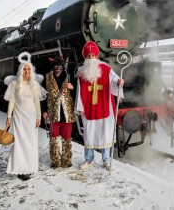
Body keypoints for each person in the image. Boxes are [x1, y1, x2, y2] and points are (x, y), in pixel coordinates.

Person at [74, 41, 124, 171]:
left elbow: (114, 82)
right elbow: (79, 91)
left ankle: (106, 159)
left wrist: (119, 82)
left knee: (105, 133)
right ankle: (89, 159)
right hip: (89, 108)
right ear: (85, 57)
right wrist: (80, 107)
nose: (91, 57)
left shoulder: (106, 69)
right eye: (88, 55)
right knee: (89, 133)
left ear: (96, 55)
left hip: (104, 106)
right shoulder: (81, 72)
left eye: (92, 55)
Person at [5, 52, 46, 181]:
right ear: (21, 71)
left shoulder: (35, 85)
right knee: (20, 142)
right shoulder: (14, 84)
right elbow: (11, 101)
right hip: (19, 117)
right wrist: (8, 117)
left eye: (29, 69)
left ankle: (30, 167)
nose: (27, 71)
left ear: (31, 71)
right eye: (24, 69)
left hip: (32, 117)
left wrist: (39, 118)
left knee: (31, 143)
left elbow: (37, 103)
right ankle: (20, 169)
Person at [42, 56, 75, 168]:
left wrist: (72, 87)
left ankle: (66, 160)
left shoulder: (69, 77)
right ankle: (55, 161)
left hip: (67, 113)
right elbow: (42, 96)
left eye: (60, 66)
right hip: (52, 114)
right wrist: (43, 111)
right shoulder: (47, 79)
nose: (58, 68)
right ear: (53, 67)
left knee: (67, 139)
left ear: (62, 67)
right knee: (53, 139)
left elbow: (76, 94)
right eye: (56, 66)